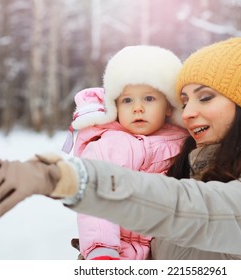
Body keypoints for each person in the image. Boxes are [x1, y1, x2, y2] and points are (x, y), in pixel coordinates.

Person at [0, 37, 241, 259]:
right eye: (183, 99)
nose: (190, 111)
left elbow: (186, 208)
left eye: (205, 97)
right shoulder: (204, 167)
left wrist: (66, 177)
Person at [61, 45, 189, 260]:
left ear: (168, 106)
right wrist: (102, 250)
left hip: (169, 252)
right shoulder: (106, 145)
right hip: (119, 252)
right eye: (127, 100)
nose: (137, 108)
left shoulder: (184, 143)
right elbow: (96, 197)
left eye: (149, 98)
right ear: (115, 106)